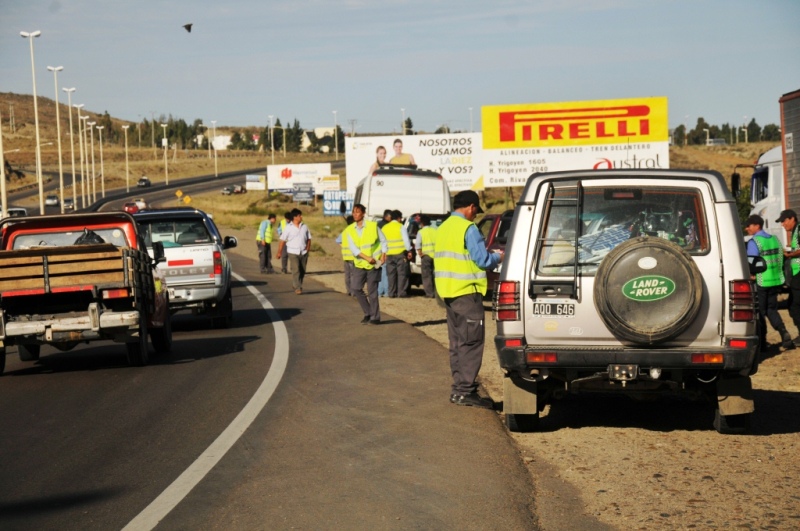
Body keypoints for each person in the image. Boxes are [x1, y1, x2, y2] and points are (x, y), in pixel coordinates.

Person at [435, 190, 503, 408]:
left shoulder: (443, 227)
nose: (475, 215)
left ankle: (458, 389)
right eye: (476, 211)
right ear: (472, 207)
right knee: (471, 342)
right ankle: (466, 390)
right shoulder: (468, 228)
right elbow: (482, 260)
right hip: (467, 293)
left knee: (457, 343)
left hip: (449, 293)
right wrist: (499, 257)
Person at [745, 214, 795, 350]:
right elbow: (781, 259)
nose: (747, 229)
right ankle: (784, 333)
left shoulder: (754, 242)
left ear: (757, 226)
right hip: (775, 280)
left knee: (760, 312)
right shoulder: (775, 239)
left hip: (761, 281)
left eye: (749, 226)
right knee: (771, 309)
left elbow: (752, 262)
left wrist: (751, 274)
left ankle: (762, 343)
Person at [346, 203, 387, 324]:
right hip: (360, 264)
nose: (355, 214)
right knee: (356, 288)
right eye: (353, 212)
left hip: (374, 264)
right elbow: (354, 249)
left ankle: (375, 317)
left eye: (357, 212)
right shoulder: (349, 230)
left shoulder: (373, 226)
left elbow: (383, 241)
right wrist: (367, 258)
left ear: (363, 213)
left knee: (372, 291)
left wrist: (384, 255)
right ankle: (368, 312)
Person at [778, 209, 800, 345]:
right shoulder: (795, 232)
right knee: (793, 305)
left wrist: (790, 255)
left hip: (799, 274)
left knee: (794, 305)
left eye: (783, 221)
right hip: (797, 273)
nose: (782, 224)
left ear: (792, 219)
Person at [277, 208, 312, 295]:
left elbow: (309, 238)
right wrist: (279, 252)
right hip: (292, 252)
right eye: (299, 215)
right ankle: (298, 287)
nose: (301, 217)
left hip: (303, 252)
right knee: (296, 269)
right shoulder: (288, 228)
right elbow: (282, 240)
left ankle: (295, 284)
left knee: (302, 270)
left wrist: (308, 248)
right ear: (295, 217)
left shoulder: (305, 226)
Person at [382, 209, 412, 298]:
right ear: (399, 218)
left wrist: (384, 253)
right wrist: (409, 250)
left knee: (391, 274)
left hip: (389, 254)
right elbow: (406, 240)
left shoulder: (385, 227)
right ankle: (401, 293)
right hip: (400, 254)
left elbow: (382, 242)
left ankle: (391, 293)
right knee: (402, 274)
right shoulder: (401, 227)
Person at [416, 215, 437, 298]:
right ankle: (436, 293)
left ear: (422, 223)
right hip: (436, 256)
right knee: (435, 275)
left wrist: (420, 254)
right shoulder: (435, 231)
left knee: (426, 275)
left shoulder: (421, 232)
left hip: (426, 256)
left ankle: (429, 293)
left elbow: (418, 245)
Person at [336, 215, 356, 296]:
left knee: (347, 275)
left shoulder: (344, 231)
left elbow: (338, 241)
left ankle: (349, 290)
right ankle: (354, 291)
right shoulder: (354, 231)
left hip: (345, 256)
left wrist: (343, 246)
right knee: (354, 275)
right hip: (353, 256)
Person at [377, 209, 392, 297]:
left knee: (379, 273)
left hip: (378, 253)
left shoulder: (378, 225)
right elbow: (384, 241)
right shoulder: (386, 226)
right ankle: (385, 292)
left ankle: (379, 292)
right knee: (385, 273)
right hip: (384, 252)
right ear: (386, 216)